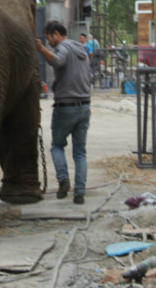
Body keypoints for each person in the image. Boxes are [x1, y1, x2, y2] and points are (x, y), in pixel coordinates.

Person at [35, 21, 92, 205]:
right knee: (80, 153)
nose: (49, 41)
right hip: (84, 106)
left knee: (57, 146)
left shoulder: (64, 47)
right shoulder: (81, 49)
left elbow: (58, 61)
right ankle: (80, 193)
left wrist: (41, 50)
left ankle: (63, 179)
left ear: (56, 34)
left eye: (49, 38)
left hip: (66, 106)